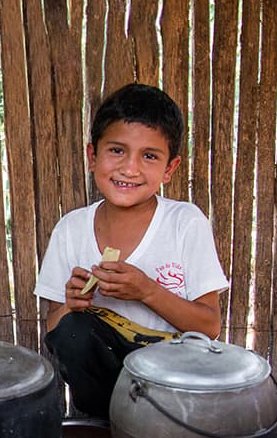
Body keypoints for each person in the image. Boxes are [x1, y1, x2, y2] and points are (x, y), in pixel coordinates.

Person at [34, 83, 229, 419]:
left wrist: (147, 291)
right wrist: (71, 304)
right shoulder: (71, 229)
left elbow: (209, 326)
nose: (130, 168)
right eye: (117, 151)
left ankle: (160, 428)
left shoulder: (184, 223)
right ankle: (106, 428)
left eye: (149, 156)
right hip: (104, 392)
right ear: (92, 156)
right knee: (73, 331)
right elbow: (55, 328)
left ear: (170, 168)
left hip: (174, 387)